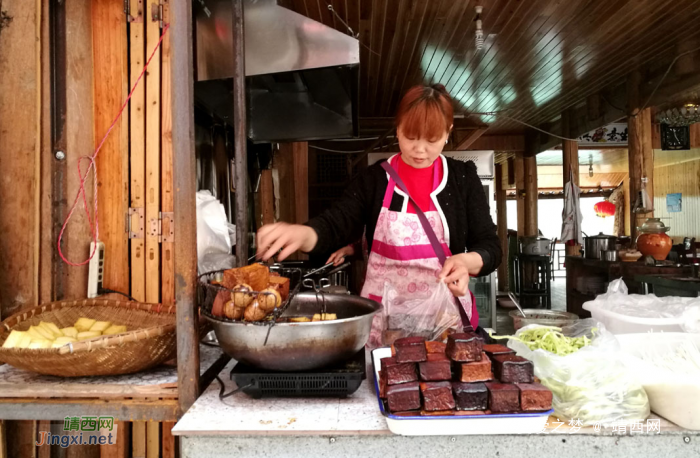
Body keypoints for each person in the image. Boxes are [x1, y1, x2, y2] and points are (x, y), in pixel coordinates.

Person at [257, 84, 501, 343]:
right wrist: (305, 232)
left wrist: (466, 262)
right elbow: (337, 223)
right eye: (410, 136)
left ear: (447, 132)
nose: (420, 150)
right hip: (385, 324)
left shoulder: (462, 179)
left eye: (431, 140)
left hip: (443, 320)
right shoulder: (373, 180)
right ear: (397, 128)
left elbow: (491, 246)